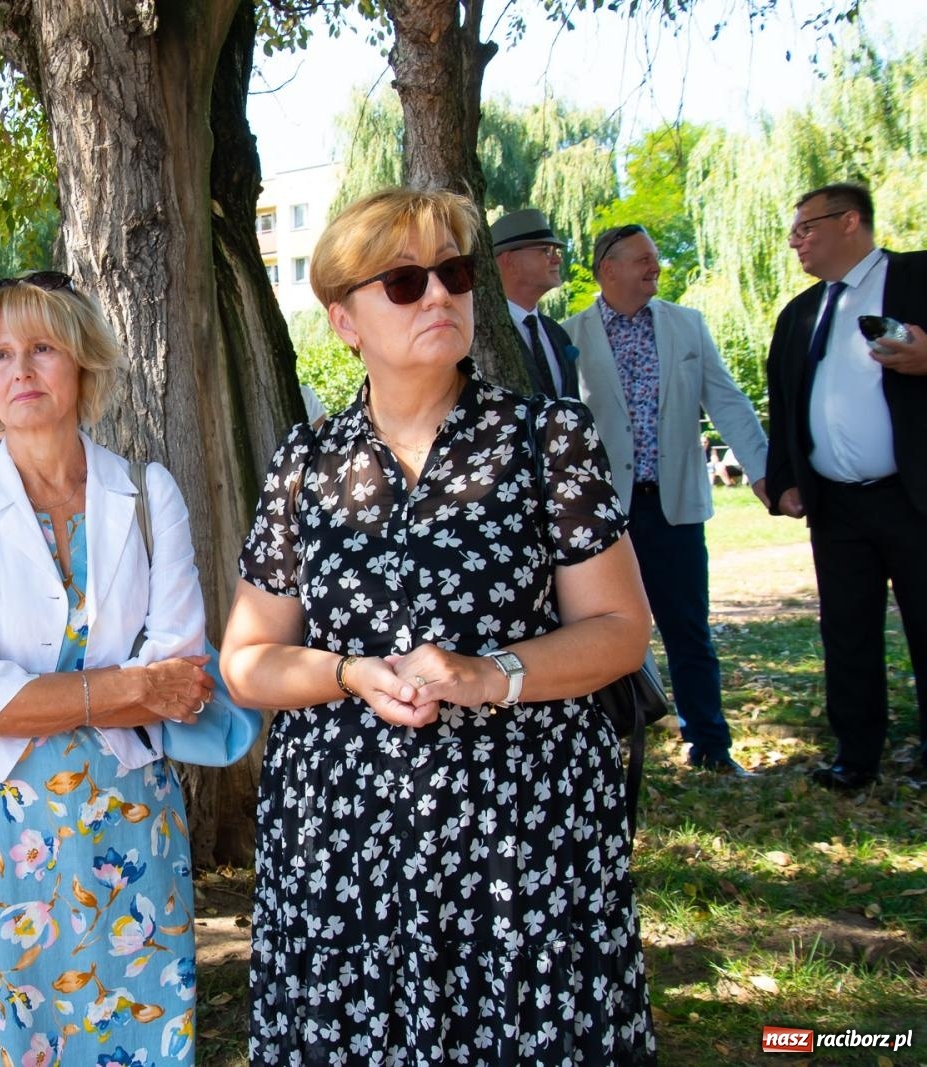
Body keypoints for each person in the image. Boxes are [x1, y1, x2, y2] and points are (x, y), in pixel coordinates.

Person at [223, 187, 656, 1064]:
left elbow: (619, 629)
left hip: (520, 822)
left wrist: (488, 672)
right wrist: (350, 673)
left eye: (454, 273)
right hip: (345, 830)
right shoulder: (307, 463)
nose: (440, 296)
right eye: (406, 281)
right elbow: (247, 659)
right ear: (345, 321)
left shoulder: (549, 438)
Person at [0, 273, 212, 1063]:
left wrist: (24, 698)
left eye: (42, 347)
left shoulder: (147, 491)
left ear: (81, 359)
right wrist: (128, 688)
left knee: (136, 1033)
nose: (21, 370)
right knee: (4, 1041)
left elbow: (179, 670)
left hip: (128, 819)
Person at [564, 223, 769, 776]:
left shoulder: (686, 326)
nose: (655, 268)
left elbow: (727, 401)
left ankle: (710, 745)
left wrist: (763, 470)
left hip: (674, 508)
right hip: (606, 517)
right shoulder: (571, 337)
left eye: (656, 259)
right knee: (599, 633)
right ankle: (608, 746)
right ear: (609, 270)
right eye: (643, 260)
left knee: (689, 630)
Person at [765, 182, 927, 790]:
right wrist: (783, 482)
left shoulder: (916, 277)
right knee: (847, 633)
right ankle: (855, 756)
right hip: (836, 506)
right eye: (793, 232)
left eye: (806, 228)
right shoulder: (801, 313)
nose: (796, 241)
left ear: (851, 221)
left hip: (913, 496)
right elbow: (785, 406)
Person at [491, 208, 579, 397]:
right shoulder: (483, 333)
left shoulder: (558, 334)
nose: (557, 259)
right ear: (510, 260)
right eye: (546, 251)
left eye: (556, 251)